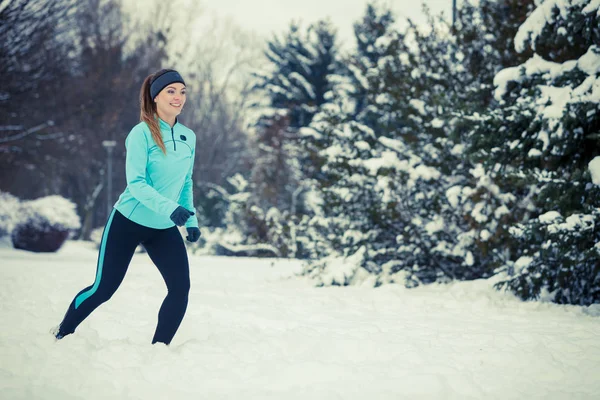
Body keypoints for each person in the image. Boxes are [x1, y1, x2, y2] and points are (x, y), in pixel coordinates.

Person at [53, 69, 201, 345]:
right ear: (156, 97)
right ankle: (62, 332)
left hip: (163, 227)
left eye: (182, 91)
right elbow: (136, 183)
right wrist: (170, 208)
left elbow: (186, 182)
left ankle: (159, 349)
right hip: (128, 221)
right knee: (103, 289)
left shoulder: (188, 137)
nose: (178, 97)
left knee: (180, 289)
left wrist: (191, 221)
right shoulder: (141, 133)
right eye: (171, 91)